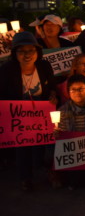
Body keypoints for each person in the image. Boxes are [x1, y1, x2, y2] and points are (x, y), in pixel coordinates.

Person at [0, 32, 58, 191]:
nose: (27, 55)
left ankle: (49, 171)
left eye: (30, 50)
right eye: (21, 51)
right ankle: (25, 178)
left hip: (42, 111)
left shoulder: (44, 66)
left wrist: (53, 95)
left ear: (37, 52)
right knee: (23, 146)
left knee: (47, 144)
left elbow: (52, 87)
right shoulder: (7, 70)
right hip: (19, 114)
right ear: (15, 53)